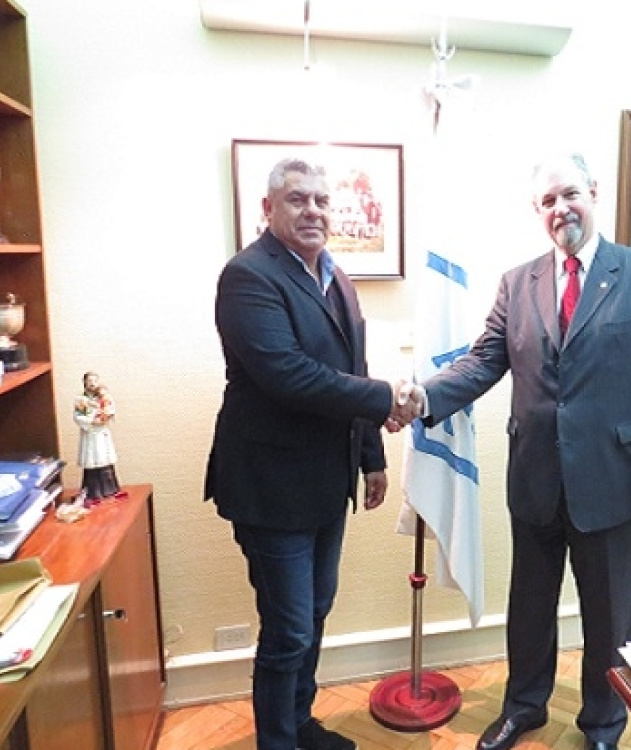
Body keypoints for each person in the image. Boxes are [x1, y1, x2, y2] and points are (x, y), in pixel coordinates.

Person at [414, 153, 631, 750]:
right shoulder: (518, 282)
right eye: (547, 201)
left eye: (570, 194)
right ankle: (524, 707)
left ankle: (604, 724)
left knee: (609, 616)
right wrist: (422, 397)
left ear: (593, 192)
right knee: (530, 609)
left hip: (610, 477)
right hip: (535, 474)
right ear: (536, 211)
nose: (561, 208)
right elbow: (483, 362)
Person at [204, 157, 419, 750]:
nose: (313, 211)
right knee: (288, 629)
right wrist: (384, 398)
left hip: (326, 480)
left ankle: (299, 724)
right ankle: (278, 741)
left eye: (322, 201)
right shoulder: (248, 276)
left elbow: (353, 367)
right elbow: (288, 375)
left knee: (316, 611)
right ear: (268, 208)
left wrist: (371, 456)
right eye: (298, 199)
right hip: (270, 487)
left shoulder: (335, 275)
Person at [73, 371, 122, 500]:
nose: (92, 384)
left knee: (104, 458)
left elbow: (110, 409)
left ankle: (110, 488)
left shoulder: (104, 396)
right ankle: (93, 491)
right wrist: (90, 420)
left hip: (102, 432)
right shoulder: (81, 399)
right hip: (90, 433)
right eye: (90, 381)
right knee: (91, 459)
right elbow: (77, 416)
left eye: (95, 381)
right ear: (85, 382)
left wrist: (105, 416)